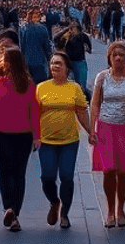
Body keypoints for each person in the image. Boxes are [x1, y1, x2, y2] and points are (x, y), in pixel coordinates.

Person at [90, 41, 125, 228]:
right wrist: (91, 129)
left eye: (122, 55)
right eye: (115, 55)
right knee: (108, 170)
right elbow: (95, 104)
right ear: (109, 58)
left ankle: (121, 209)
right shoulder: (102, 77)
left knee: (123, 171)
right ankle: (110, 210)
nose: (119, 58)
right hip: (106, 127)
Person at [35, 51, 92, 230]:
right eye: (52, 63)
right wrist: (34, 136)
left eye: (59, 63)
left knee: (67, 177)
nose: (55, 66)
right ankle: (54, 202)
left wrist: (91, 132)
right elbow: (34, 114)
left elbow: (82, 112)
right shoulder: (41, 87)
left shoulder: (74, 88)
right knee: (47, 177)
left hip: (69, 140)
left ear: (67, 67)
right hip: (46, 141)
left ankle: (65, 214)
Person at [0, 47, 40, 231]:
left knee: (8, 171)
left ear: (7, 62)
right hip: (18, 134)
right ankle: (14, 212)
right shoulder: (28, 83)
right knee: (17, 173)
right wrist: (36, 136)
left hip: (2, 133)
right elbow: (33, 111)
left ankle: (9, 208)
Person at [57, 18, 93, 94]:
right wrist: (65, 30)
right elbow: (56, 39)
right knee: (75, 86)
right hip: (71, 63)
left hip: (77, 63)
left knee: (79, 87)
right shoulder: (67, 36)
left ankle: (84, 101)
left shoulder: (81, 36)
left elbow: (89, 48)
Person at [20, 9, 53, 85]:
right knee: (41, 86)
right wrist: (49, 59)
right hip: (40, 62)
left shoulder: (23, 28)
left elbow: (22, 47)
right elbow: (47, 47)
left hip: (28, 62)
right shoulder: (43, 28)